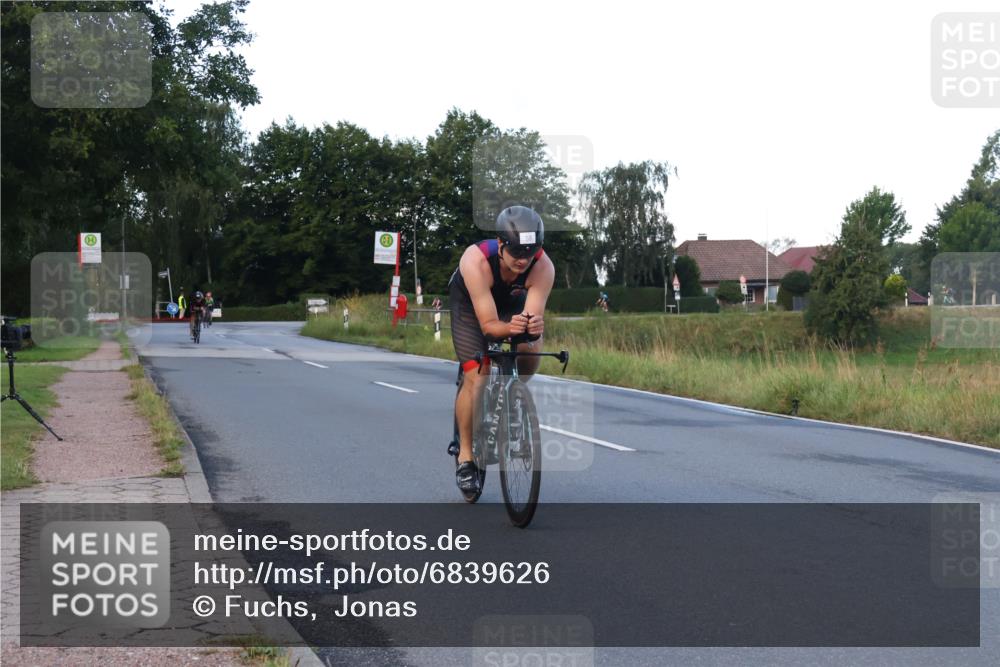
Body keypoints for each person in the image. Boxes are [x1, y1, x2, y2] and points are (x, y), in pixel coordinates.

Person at [448, 206, 554, 495]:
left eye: (529, 253)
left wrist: (530, 328)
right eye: (516, 252)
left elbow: (530, 322)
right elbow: (489, 326)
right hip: (472, 308)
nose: (522, 260)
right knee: (478, 375)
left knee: (529, 356)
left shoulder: (543, 267)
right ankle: (466, 457)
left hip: (511, 305)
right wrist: (508, 329)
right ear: (501, 244)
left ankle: (513, 397)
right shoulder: (476, 260)